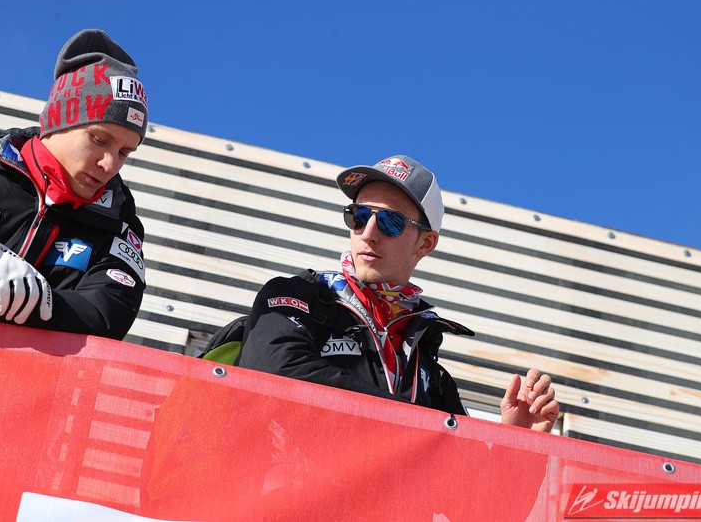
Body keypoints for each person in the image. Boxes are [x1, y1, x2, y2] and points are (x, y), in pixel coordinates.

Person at [234, 155, 559, 431]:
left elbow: (462, 476)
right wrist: (421, 425)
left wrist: (515, 437)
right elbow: (273, 371)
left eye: (390, 222)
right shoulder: (297, 296)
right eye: (359, 216)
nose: (368, 233)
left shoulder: (432, 374)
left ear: (425, 243)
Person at [0, 29, 148, 340]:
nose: (110, 165)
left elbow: (103, 318)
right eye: (99, 140)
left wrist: (20, 294)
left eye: (124, 152)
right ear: (57, 123)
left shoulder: (119, 226)